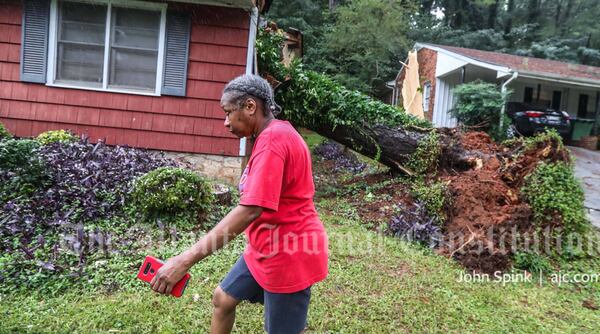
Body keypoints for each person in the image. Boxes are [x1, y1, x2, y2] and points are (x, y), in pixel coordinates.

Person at [150, 74, 329, 334]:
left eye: (228, 113)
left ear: (250, 107)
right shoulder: (273, 134)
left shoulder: (272, 141)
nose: (225, 122)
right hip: (264, 248)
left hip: (289, 254)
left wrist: (184, 260)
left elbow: (250, 209)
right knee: (223, 299)